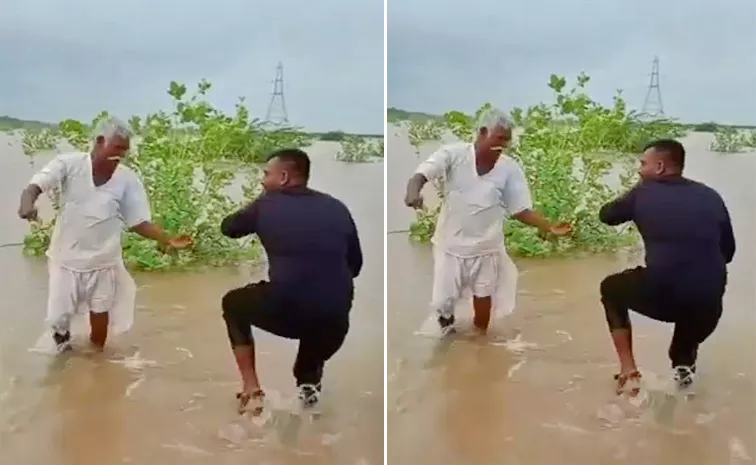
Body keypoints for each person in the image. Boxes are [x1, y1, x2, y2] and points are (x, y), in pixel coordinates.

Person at [17, 117, 193, 352]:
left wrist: (166, 239)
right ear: (100, 142)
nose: (121, 155)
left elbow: (138, 221)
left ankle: (96, 362)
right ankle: (63, 354)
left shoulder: (128, 180)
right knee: (58, 318)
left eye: (125, 150)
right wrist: (27, 204)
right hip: (65, 259)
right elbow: (35, 186)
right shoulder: (69, 164)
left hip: (103, 262)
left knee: (100, 315)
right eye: (117, 147)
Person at [404, 109, 572, 336]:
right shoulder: (454, 154)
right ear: (482, 133)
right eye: (499, 138)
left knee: (483, 299)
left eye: (507, 140)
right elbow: (421, 174)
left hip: (487, 247)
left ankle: (479, 344)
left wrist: (547, 227)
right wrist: (413, 192)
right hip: (449, 245)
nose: (503, 145)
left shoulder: (509, 169)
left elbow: (520, 210)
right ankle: (447, 337)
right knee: (443, 302)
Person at [220, 148, 362, 414]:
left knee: (233, 303)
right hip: (336, 320)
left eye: (266, 174)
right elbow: (355, 266)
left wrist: (263, 200)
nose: (262, 180)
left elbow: (228, 228)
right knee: (306, 372)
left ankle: (251, 390)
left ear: (283, 177)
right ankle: (309, 412)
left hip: (290, 310)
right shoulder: (337, 207)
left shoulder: (265, 204)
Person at [598, 139, 735, 395]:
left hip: (665, 294)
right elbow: (728, 252)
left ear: (659, 167)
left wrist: (638, 189)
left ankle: (628, 371)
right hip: (710, 304)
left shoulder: (643, 192)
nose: (639, 170)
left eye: (642, 164)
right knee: (681, 353)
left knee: (611, 288)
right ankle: (684, 387)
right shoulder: (711, 195)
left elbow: (606, 216)